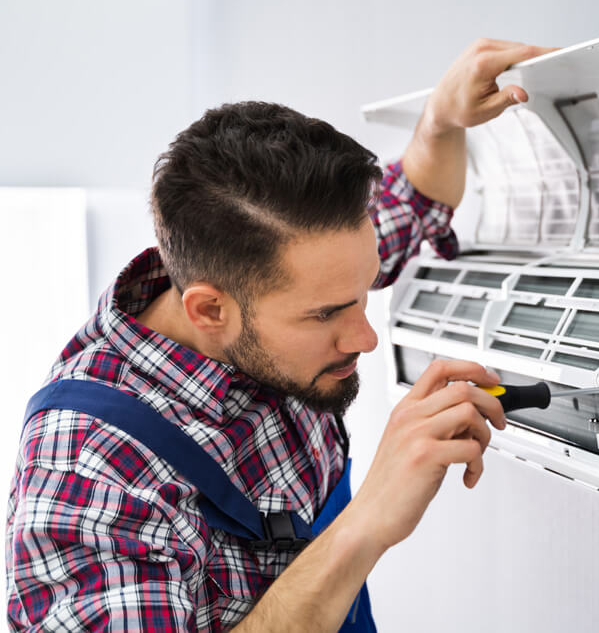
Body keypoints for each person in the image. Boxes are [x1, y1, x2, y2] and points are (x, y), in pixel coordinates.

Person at [6, 39, 553, 631]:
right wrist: (366, 521)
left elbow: (417, 195)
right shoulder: (87, 472)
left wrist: (442, 121)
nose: (365, 337)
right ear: (210, 310)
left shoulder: (300, 269)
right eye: (326, 316)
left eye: (364, 291)